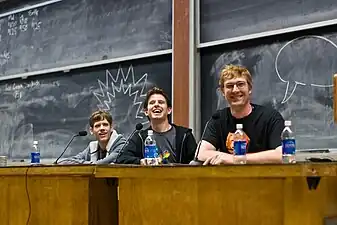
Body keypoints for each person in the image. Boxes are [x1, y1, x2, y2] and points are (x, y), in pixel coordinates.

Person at [198, 64, 285, 165]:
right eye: (229, 86)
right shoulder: (217, 119)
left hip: (264, 178)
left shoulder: (271, 117)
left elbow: (282, 154)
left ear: (250, 88)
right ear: (223, 91)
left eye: (240, 84)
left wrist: (236, 159)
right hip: (228, 179)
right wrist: (233, 159)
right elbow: (202, 153)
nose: (235, 90)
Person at [117, 87, 197, 165]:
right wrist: (141, 162)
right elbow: (121, 158)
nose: (156, 105)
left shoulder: (184, 135)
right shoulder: (139, 137)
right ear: (146, 112)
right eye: (152, 103)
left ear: (169, 110)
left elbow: (195, 161)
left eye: (161, 102)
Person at [58, 110, 126, 164]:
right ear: (91, 130)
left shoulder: (121, 144)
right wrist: (88, 163)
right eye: (97, 126)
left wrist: (85, 164)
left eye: (105, 125)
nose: (102, 128)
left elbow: (103, 164)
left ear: (111, 127)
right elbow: (66, 161)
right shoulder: (92, 147)